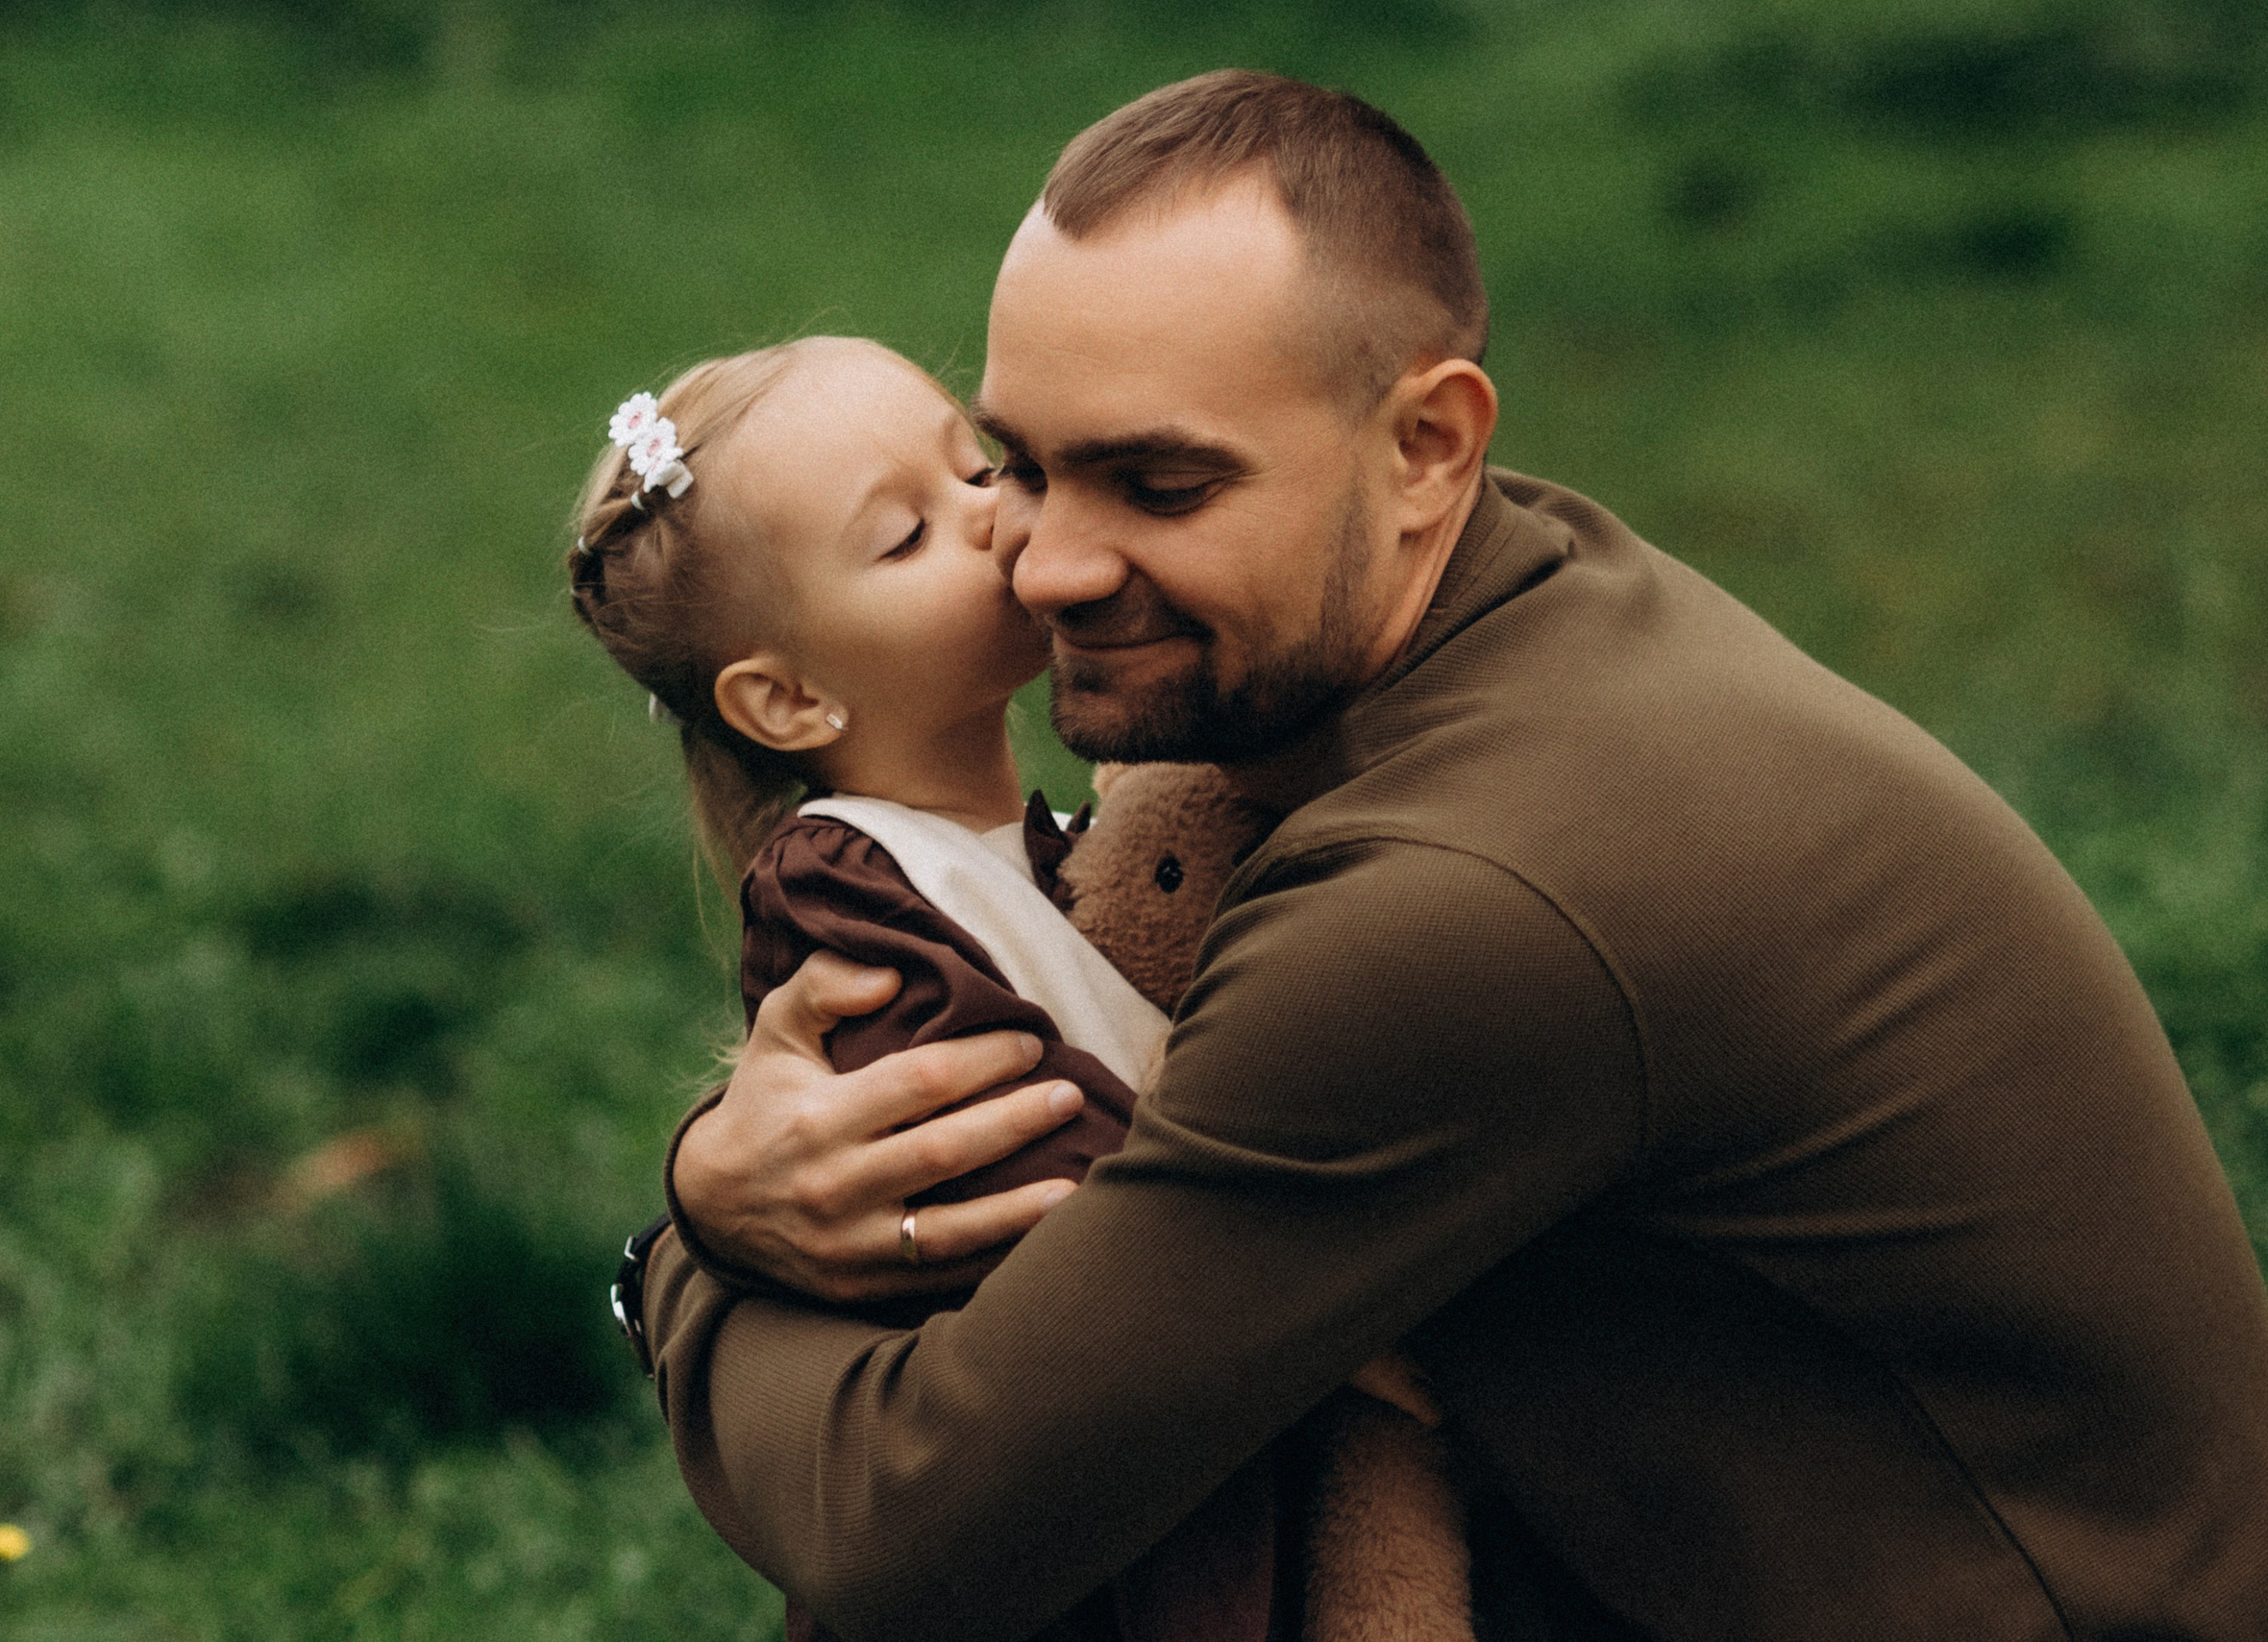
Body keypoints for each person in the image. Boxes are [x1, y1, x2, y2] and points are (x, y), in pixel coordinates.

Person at [631, 72, 2268, 1642]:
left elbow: (922, 1530)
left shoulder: (1461, 902)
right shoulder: (1505, 593)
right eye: (1027, 462)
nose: (1045, 560)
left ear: (1426, 444)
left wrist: (692, 1254)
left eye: (1162, 482)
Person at [567, 335, 1473, 1640]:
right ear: (787, 696)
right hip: (1064, 1548)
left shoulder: (1068, 848)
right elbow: (1017, 1150)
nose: (995, 514)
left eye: (977, 464)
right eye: (908, 534)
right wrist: (1323, 1287)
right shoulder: (845, 894)